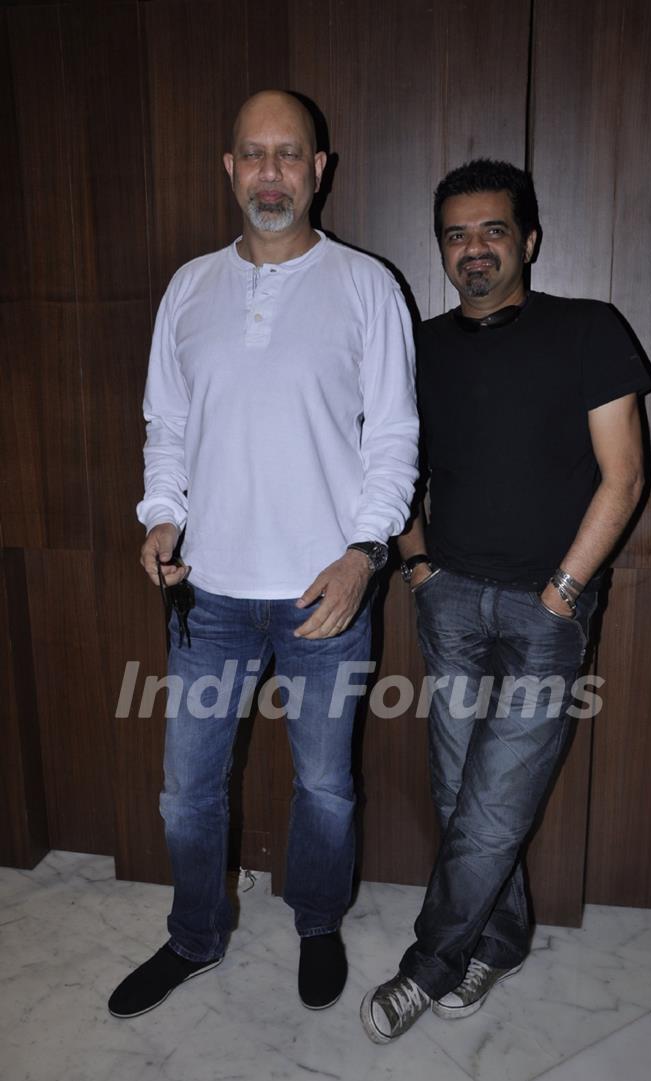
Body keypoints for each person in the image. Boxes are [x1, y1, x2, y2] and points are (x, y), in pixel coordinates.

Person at [108, 90, 418, 1019]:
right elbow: (167, 424)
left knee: (326, 785)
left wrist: (365, 554)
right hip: (207, 596)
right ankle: (196, 937)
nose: (272, 172)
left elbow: (394, 439)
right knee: (184, 797)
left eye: (291, 155)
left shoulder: (368, 285)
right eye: (254, 154)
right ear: (230, 168)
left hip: (327, 596)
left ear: (320, 169)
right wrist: (162, 517)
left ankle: (317, 923)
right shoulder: (189, 288)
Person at [360, 158, 651, 1042]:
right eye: (456, 234)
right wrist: (415, 564)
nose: (474, 249)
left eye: (493, 231)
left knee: (490, 804)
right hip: (448, 601)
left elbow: (625, 477)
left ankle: (429, 963)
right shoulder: (422, 347)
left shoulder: (589, 329)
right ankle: (503, 937)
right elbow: (392, 465)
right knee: (462, 797)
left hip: (544, 613)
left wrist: (566, 590)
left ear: (528, 238)